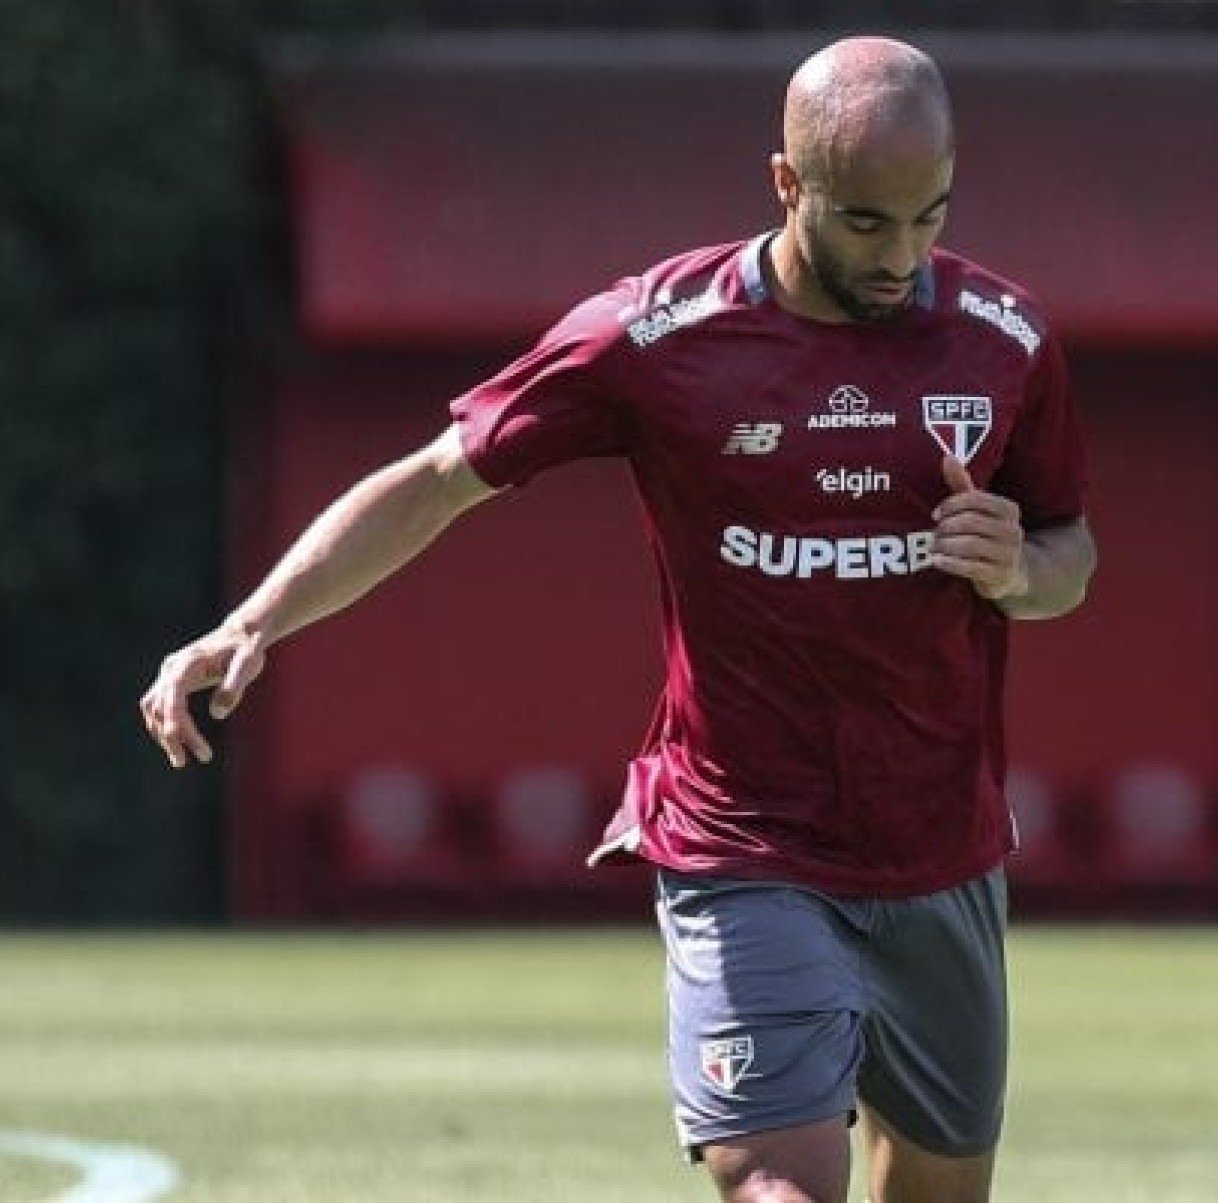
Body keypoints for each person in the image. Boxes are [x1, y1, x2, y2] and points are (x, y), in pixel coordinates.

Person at [140, 35, 1095, 1203]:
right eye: (864, 224)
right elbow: (441, 476)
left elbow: (1070, 552)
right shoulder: (657, 338)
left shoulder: (1005, 340)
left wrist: (1016, 571)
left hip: (939, 850)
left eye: (928, 218)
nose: (902, 256)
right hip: (743, 845)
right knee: (778, 1189)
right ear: (786, 184)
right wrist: (256, 621)